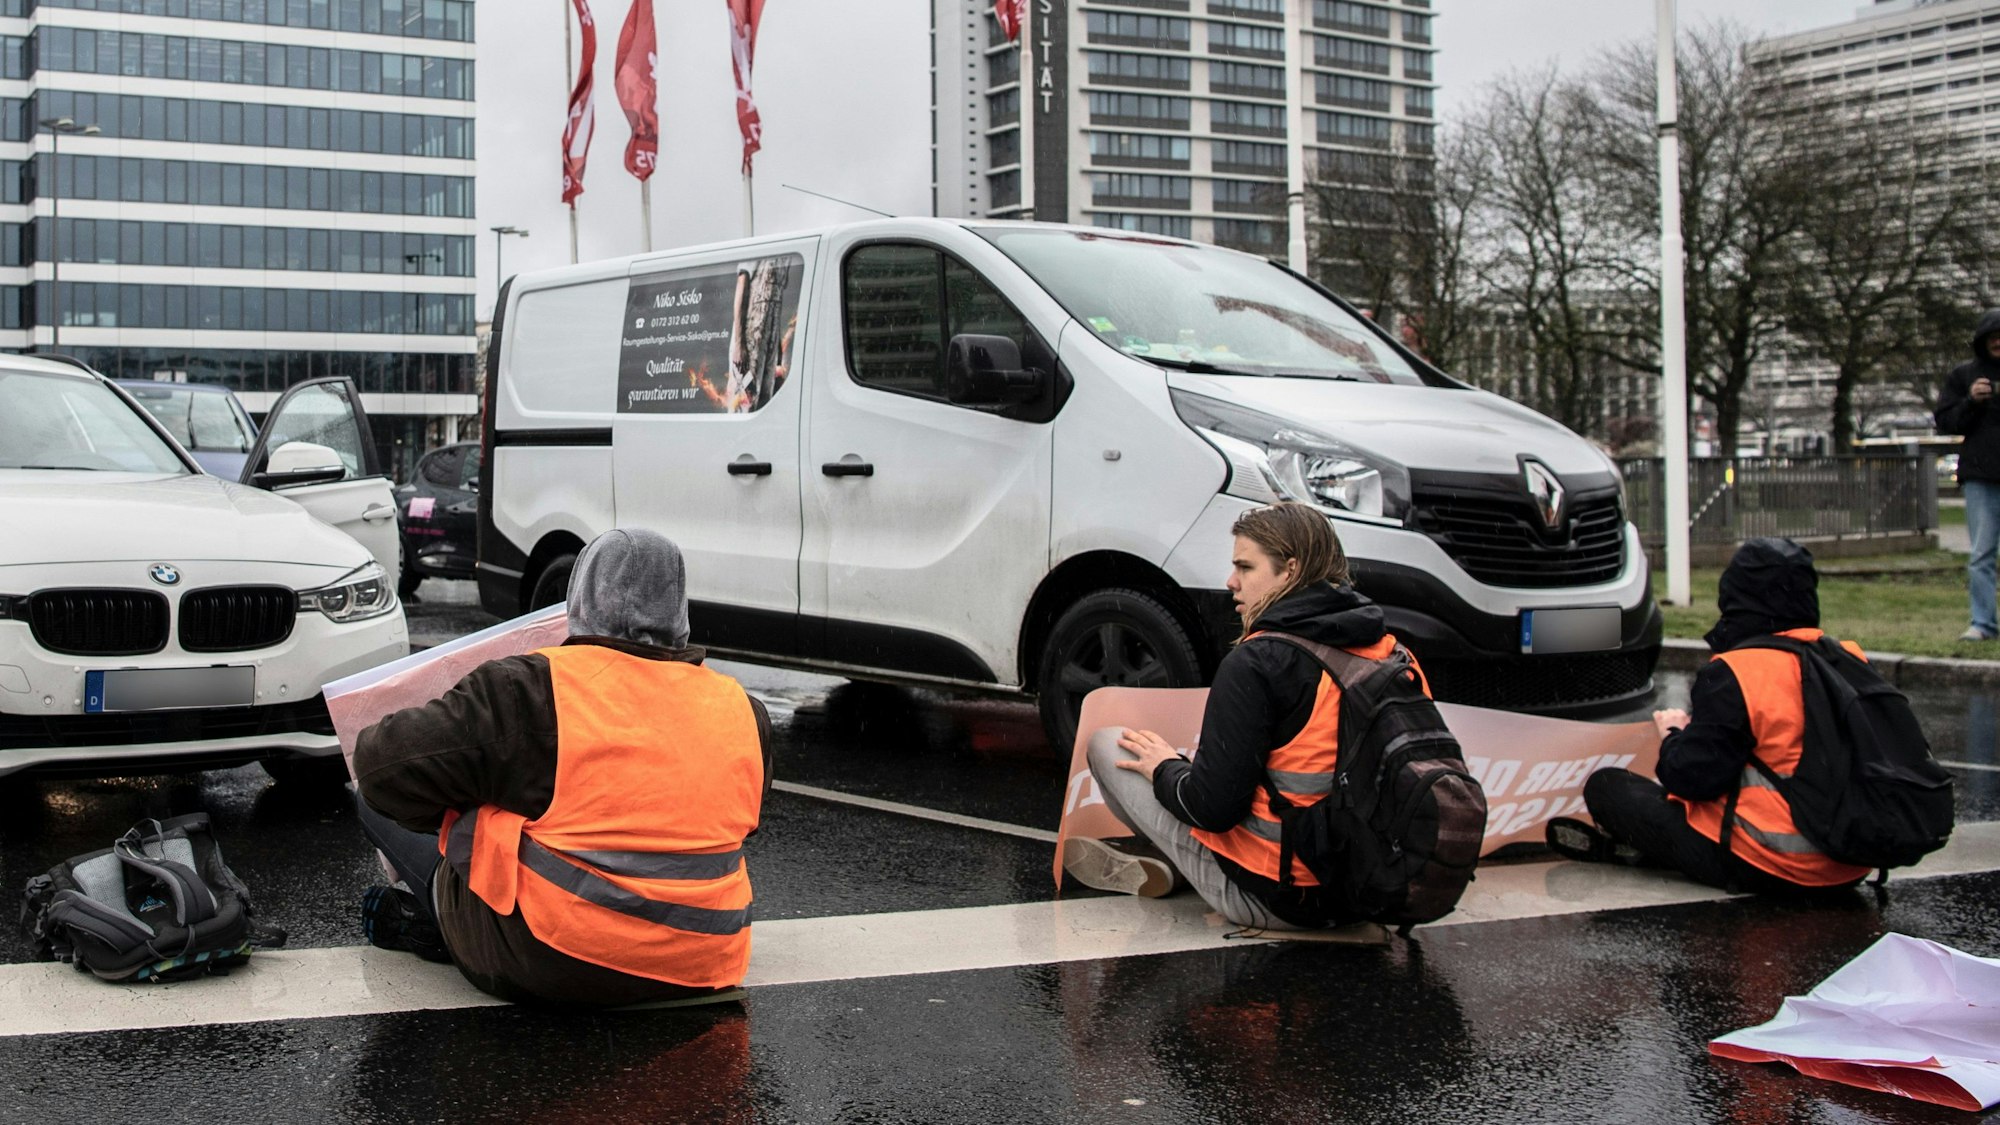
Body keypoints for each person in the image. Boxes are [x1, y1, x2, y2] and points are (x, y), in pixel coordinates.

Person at [351, 528, 772, 1006]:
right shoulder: (742, 710)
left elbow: (381, 767)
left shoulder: (529, 688)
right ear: (678, 608)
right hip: (705, 960)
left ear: (581, 597)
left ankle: (436, 925)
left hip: (555, 958)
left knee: (371, 797)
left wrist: (473, 815)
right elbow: (735, 818)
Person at [1063, 501, 1423, 930]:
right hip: (1375, 890)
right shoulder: (1395, 655)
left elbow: (1212, 809)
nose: (1231, 582)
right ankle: (1175, 863)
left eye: (1245, 568)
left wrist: (1165, 768)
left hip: (1281, 898)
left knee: (1109, 743)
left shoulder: (1259, 661)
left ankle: (1177, 864)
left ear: (1290, 569)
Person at [1549, 538, 1870, 895]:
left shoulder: (1738, 671)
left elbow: (1691, 779)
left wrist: (1673, 736)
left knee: (1607, 786)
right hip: (1852, 861)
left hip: (1772, 864)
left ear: (1735, 597)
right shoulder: (1848, 660)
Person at [1935, 308, 2000, 641]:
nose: (1998, 343)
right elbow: (1946, 421)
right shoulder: (1965, 376)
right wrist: (1972, 402)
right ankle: (1984, 623)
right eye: (1992, 338)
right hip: (1981, 476)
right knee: (1982, 553)